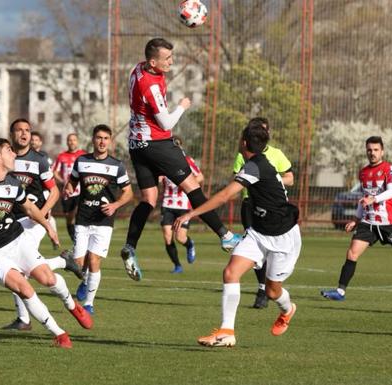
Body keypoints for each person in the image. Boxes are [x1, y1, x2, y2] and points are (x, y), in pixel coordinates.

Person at [0, 138, 92, 348]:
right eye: (9, 150)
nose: (14, 154)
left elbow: (30, 208)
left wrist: (48, 226)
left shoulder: (13, 183)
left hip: (16, 240)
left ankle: (71, 304)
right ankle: (60, 334)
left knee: (48, 279)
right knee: (24, 288)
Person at [121, 37, 240, 281]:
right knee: (192, 188)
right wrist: (183, 106)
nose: (171, 62)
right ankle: (225, 236)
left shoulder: (138, 69)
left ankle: (130, 247)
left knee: (148, 199)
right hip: (157, 144)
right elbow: (165, 122)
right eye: (167, 59)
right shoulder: (151, 85)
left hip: (136, 144)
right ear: (153, 62)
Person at [174, 124, 301, 347]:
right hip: (258, 232)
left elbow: (224, 196)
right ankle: (227, 331)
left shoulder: (257, 166)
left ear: (243, 143)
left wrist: (191, 213)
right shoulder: (255, 164)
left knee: (272, 292)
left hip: (283, 237)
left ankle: (288, 309)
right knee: (231, 272)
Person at [320, 136, 392, 303]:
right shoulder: (363, 173)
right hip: (369, 223)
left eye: (375, 150)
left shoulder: (389, 169)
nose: (372, 153)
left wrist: (373, 199)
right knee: (352, 253)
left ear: (382, 151)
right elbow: (363, 198)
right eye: (369, 150)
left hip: (388, 223)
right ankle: (340, 291)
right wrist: (356, 219)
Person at [4, 118, 80, 331]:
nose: (24, 133)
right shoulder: (5, 157)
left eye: (27, 130)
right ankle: (63, 261)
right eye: (19, 130)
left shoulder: (39, 160)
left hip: (33, 221)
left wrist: (42, 215)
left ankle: (24, 320)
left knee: (18, 268)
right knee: (14, 267)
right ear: (12, 134)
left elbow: (54, 191)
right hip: (12, 221)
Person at [63, 125, 133, 315]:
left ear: (110, 141)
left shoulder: (117, 165)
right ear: (93, 140)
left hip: (104, 221)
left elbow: (128, 193)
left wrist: (115, 206)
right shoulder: (81, 161)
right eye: (99, 138)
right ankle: (85, 281)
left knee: (94, 260)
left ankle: (89, 304)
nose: (102, 142)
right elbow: (72, 182)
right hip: (83, 218)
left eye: (105, 138)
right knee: (78, 264)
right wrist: (68, 188)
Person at [233, 117, 294, 309]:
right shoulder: (244, 155)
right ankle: (261, 289)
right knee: (250, 251)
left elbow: (290, 178)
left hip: (272, 211)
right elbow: (237, 177)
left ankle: (270, 290)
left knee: (268, 253)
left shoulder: (276, 154)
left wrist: (269, 181)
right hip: (249, 205)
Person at [159, 136, 201, 273]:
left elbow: (200, 177)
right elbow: (157, 178)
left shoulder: (187, 161)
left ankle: (189, 245)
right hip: (167, 203)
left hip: (183, 205)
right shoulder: (161, 161)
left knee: (180, 237)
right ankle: (177, 265)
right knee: (167, 236)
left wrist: (187, 182)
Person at [53, 133, 87, 244]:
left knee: (78, 213)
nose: (72, 142)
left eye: (74, 140)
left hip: (80, 191)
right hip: (67, 192)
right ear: (67, 142)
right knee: (69, 218)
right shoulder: (61, 156)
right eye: (70, 140)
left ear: (77, 142)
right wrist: (63, 181)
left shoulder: (83, 155)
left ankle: (81, 239)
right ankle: (75, 240)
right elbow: (55, 171)